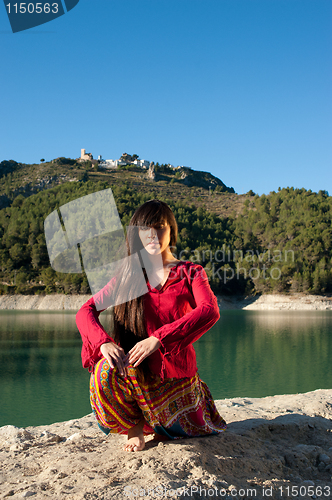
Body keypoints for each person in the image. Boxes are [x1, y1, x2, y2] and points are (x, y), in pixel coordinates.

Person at [76, 199, 226, 452]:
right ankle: (135, 426)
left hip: (176, 381)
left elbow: (209, 311)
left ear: (172, 231)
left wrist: (159, 338)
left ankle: (159, 421)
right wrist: (103, 343)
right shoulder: (127, 276)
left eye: (160, 227)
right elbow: (85, 310)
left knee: (180, 429)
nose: (153, 235)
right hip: (137, 373)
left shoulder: (191, 272)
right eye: (145, 229)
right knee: (104, 370)